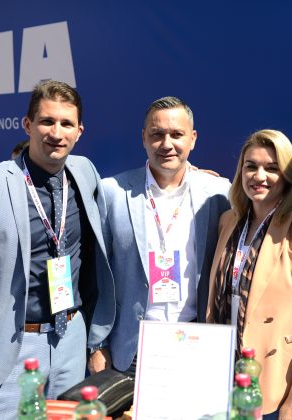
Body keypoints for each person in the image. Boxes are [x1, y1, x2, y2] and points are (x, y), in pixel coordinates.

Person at [0, 80, 115, 419]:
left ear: (79, 132)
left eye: (66, 124)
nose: (56, 133)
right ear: (28, 125)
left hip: (70, 340)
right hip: (7, 347)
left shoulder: (85, 172)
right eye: (47, 121)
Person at [89, 96, 230, 376]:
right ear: (144, 137)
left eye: (177, 134)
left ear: (193, 139)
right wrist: (97, 344)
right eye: (157, 134)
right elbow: (96, 277)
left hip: (197, 343)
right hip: (132, 350)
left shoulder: (218, 193)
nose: (167, 144)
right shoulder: (111, 192)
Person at [207, 129, 292, 419]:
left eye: (272, 168)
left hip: (275, 376)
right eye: (251, 166)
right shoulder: (228, 220)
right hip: (223, 370)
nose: (259, 176)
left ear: (288, 175)